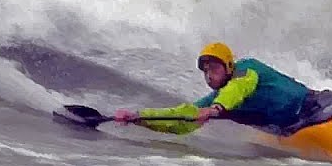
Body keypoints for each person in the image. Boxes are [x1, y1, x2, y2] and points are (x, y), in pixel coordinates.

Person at [113, 42, 316, 136]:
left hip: (318, 108)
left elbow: (238, 88)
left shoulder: (247, 70)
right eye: (206, 71)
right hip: (292, 129)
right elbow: (180, 118)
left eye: (215, 68)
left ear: (229, 66)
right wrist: (137, 118)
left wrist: (215, 109)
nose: (210, 75)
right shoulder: (214, 101)